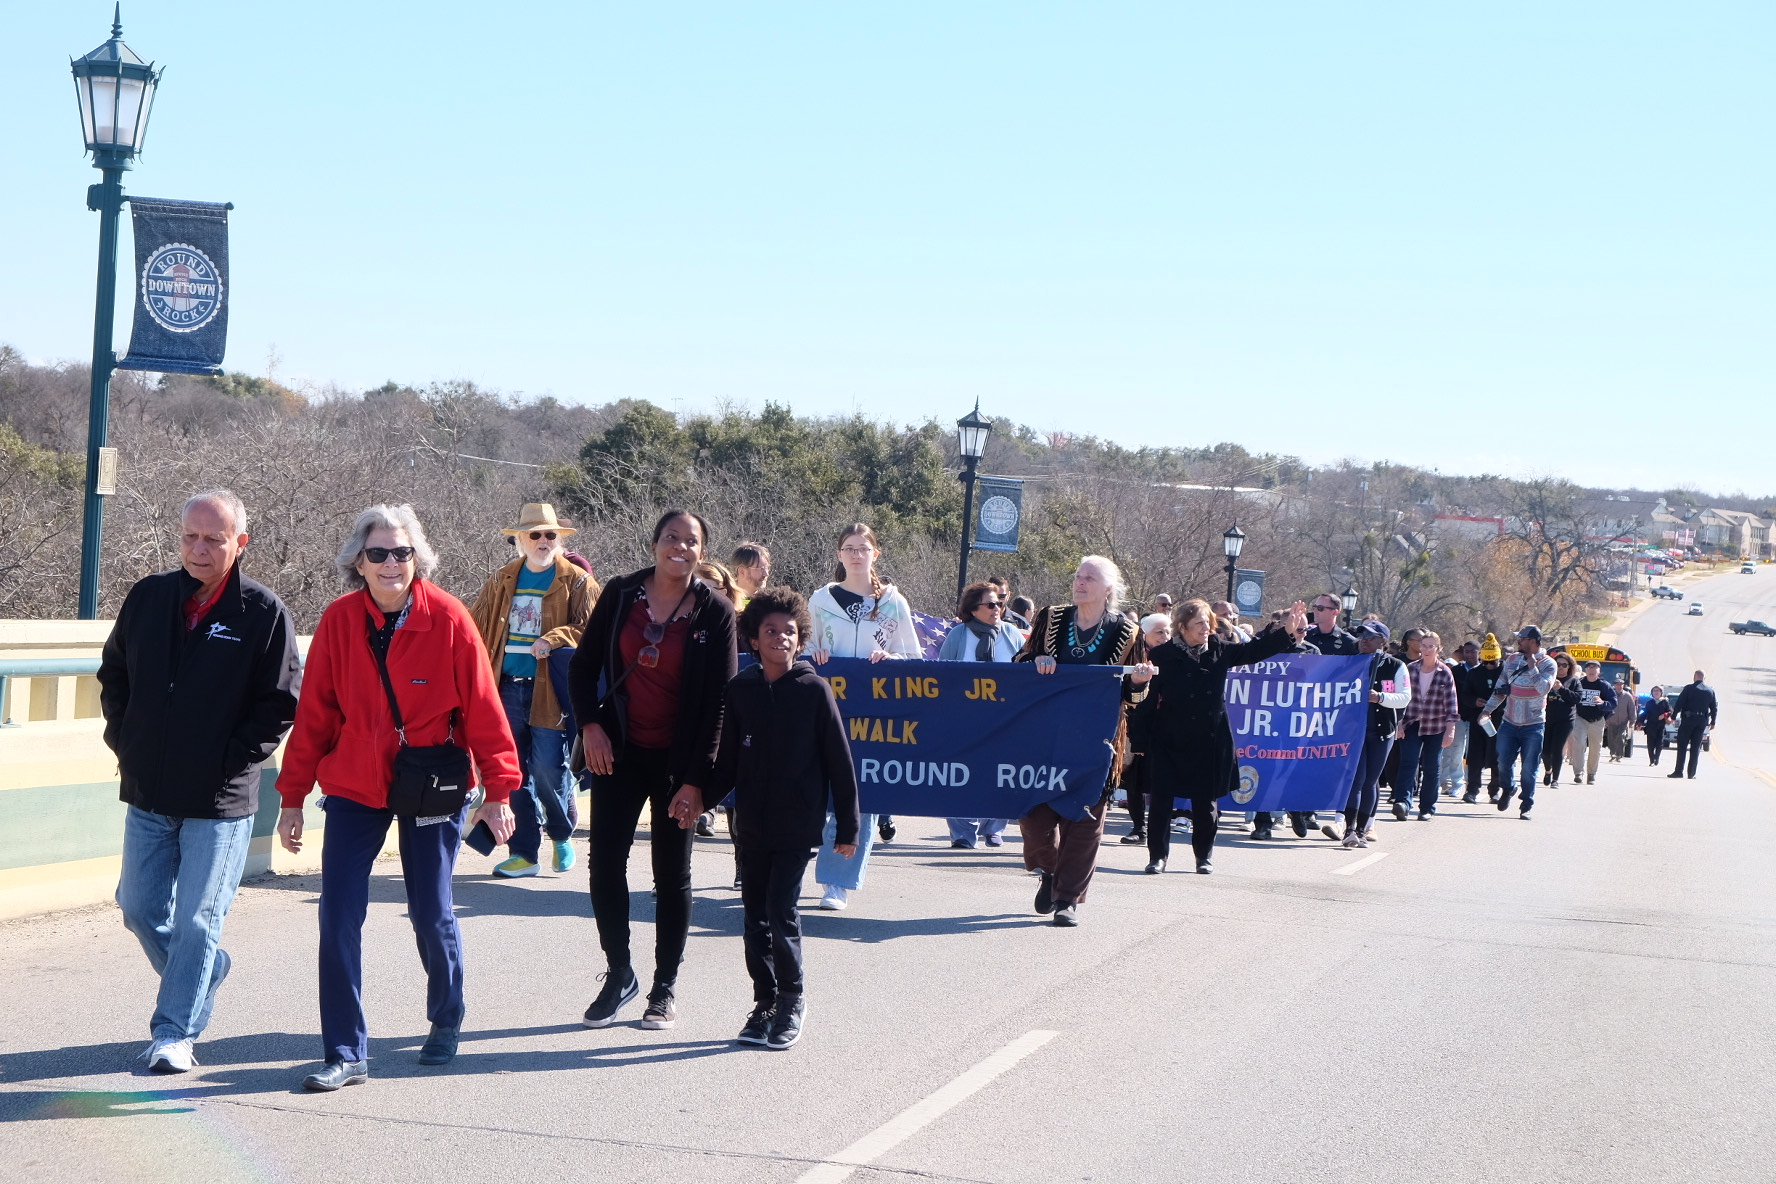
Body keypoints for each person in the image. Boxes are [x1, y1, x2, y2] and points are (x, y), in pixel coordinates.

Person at [276, 504, 521, 1091]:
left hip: (430, 776)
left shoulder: (451, 619)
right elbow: (315, 715)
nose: (391, 563)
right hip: (356, 783)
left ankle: (446, 1013)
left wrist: (499, 789)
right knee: (337, 914)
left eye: (402, 553)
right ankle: (345, 1050)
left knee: (429, 908)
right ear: (358, 562)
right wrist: (291, 796)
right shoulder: (338, 620)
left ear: (418, 559)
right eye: (378, 553)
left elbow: (484, 710)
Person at [98, 489, 300, 1074]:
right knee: (137, 907)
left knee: (197, 920)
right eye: (190, 536)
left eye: (214, 538)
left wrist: (228, 761)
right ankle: (206, 969)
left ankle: (174, 1032)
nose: (199, 548)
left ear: (241, 543)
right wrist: (126, 743)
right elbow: (115, 674)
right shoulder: (149, 596)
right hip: (149, 791)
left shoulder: (262, 612)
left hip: (220, 801)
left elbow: (279, 704)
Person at [568, 511, 737, 1030]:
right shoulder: (620, 594)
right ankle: (620, 974)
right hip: (617, 753)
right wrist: (591, 726)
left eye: (691, 541)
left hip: (677, 763)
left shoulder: (716, 612)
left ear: (701, 552)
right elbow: (582, 666)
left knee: (671, 875)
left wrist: (695, 781)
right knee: (604, 866)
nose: (679, 548)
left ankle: (664, 987)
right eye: (671, 538)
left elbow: (720, 705)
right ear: (654, 543)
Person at [675, 588, 858, 1050]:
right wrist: (699, 799)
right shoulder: (740, 691)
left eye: (789, 632)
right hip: (751, 823)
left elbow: (840, 761)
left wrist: (849, 827)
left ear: (800, 640)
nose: (780, 638)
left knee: (781, 910)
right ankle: (765, 1003)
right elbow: (728, 762)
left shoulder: (814, 691)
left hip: (797, 824)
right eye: (770, 631)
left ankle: (792, 999)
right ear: (753, 640)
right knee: (754, 917)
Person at [1017, 556, 1155, 924]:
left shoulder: (1128, 632)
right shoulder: (1050, 618)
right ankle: (1049, 872)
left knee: (1086, 817)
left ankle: (1068, 899)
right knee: (1034, 816)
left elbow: (1133, 697)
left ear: (1108, 588)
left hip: (1097, 738)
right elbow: (1019, 664)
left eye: (1089, 578)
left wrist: (1139, 682)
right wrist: (1037, 662)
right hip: (1045, 735)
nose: (1080, 583)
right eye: (1078, 576)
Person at [468, 503, 598, 878]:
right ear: (520, 539)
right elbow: (475, 625)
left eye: (550, 535)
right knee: (512, 773)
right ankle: (524, 853)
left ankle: (559, 832)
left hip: (550, 690)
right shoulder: (502, 578)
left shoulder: (577, 580)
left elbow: (592, 629)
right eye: (535, 534)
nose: (543, 541)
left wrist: (554, 638)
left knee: (545, 768)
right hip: (506, 686)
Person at [1145, 597, 1309, 874]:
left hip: (1209, 736)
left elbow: (1253, 651)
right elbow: (1149, 701)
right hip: (1169, 736)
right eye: (1199, 623)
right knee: (1162, 800)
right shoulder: (1161, 655)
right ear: (1182, 626)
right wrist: (1140, 740)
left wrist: (1287, 632)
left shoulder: (1219, 649)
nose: (1206, 628)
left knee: (1205, 801)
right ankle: (1157, 857)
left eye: (1209, 623)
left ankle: (1203, 857)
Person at [805, 524, 920, 909]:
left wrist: (892, 660)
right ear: (839, 555)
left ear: (875, 554)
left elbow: (914, 658)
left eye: (863, 548)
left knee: (860, 797)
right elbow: (804, 646)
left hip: (873, 713)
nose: (856, 554)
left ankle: (837, 882)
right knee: (815, 790)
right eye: (849, 548)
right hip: (827, 708)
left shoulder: (893, 603)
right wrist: (815, 656)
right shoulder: (820, 600)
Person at [937, 581, 1023, 848]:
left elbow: (1027, 675)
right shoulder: (958, 636)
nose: (997, 608)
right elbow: (942, 676)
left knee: (1001, 774)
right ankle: (962, 832)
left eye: (999, 603)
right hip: (965, 720)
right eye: (990, 604)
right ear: (973, 609)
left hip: (1006, 720)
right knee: (960, 775)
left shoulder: (1012, 634)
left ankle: (994, 828)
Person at [1479, 626, 1558, 819]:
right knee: (1503, 762)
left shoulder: (1549, 664)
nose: (1518, 642)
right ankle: (1508, 788)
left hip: (1533, 724)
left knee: (1529, 768)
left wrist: (1532, 667)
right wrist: (1487, 711)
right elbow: (1500, 688)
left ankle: (1526, 804)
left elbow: (1542, 689)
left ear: (1532, 641)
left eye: (1521, 639)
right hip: (1510, 721)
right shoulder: (1512, 660)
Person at [1342, 622, 1410, 846]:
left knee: (1370, 781)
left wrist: (1380, 697)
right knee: (1355, 780)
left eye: (1370, 637)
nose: (1364, 640)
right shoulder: (1349, 662)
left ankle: (1362, 830)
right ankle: (1348, 830)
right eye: (1361, 635)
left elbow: (1404, 697)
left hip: (1382, 731)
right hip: (1354, 731)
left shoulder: (1395, 666)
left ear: (1383, 641)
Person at [1390, 630, 1459, 821]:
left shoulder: (1445, 673)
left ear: (1438, 649)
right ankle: (1403, 802)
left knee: (1431, 766)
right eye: (1424, 645)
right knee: (1408, 763)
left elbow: (1451, 704)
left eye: (1431, 646)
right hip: (1411, 723)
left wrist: (1450, 730)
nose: (1427, 649)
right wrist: (1399, 723)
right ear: (1419, 647)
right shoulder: (1410, 669)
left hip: (1435, 726)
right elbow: (1400, 698)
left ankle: (1427, 807)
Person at [1458, 635, 1504, 802]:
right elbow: (1464, 696)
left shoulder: (1506, 673)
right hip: (1478, 719)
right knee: (1475, 755)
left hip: (1500, 719)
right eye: (1486, 662)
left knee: (1497, 755)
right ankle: (1472, 789)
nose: (1490, 666)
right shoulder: (1474, 673)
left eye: (1493, 662)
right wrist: (1474, 702)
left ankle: (1495, 790)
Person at [1567, 661, 1617, 785]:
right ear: (1586, 670)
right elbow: (1571, 697)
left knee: (1595, 748)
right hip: (1580, 718)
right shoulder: (1579, 683)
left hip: (1597, 720)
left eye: (1594, 667)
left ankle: (1591, 774)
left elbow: (1613, 703)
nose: (1591, 670)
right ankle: (1578, 773)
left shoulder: (1604, 686)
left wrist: (1602, 703)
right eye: (1589, 667)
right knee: (1579, 744)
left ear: (1599, 671)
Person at [1441, 640, 1478, 796]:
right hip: (1460, 716)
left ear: (1479, 652)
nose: (1469, 655)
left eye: (1472, 651)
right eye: (1466, 651)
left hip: (1478, 717)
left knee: (1474, 751)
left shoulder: (1483, 670)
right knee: (1456, 750)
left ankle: (1472, 782)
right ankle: (1455, 781)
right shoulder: (1457, 670)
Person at [1540, 653, 1581, 788]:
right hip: (1547, 719)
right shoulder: (1547, 678)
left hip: (1566, 720)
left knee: (1557, 749)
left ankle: (1555, 779)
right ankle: (1548, 770)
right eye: (1558, 665)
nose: (1561, 668)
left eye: (1564, 665)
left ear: (1569, 667)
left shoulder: (1573, 681)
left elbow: (1577, 698)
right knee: (1545, 751)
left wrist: (1561, 689)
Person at [1668, 671, 1718, 780]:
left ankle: (1678, 771)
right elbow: (1714, 708)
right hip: (1701, 722)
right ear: (1704, 678)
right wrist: (1713, 722)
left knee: (1682, 746)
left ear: (1694, 677)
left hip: (1688, 720)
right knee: (1695, 748)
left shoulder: (1689, 688)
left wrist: (1673, 716)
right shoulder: (1710, 691)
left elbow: (1679, 703)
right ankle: (1691, 773)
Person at [730, 541, 772, 610]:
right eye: (760, 569)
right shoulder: (727, 604)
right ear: (742, 572)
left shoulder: (770, 605)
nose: (766, 574)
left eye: (767, 568)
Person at [1641, 685, 1674, 767]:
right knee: (1650, 744)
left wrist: (1664, 715)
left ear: (1661, 693)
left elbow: (1670, 711)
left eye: (1658, 691)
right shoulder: (1649, 703)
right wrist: (1639, 723)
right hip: (1650, 726)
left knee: (1659, 744)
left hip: (1660, 726)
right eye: (1654, 691)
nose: (1656, 692)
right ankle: (1652, 760)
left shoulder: (1664, 702)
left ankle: (1656, 758)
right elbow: (1644, 714)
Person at [1604, 676, 1635, 762]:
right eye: (1617, 684)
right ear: (1614, 685)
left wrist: (1632, 720)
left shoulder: (1628, 696)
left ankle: (1619, 755)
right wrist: (1605, 720)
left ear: (1623, 685)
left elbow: (1632, 709)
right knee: (1611, 739)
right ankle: (1612, 754)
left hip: (1623, 721)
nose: (1619, 686)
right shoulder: (1610, 695)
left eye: (1621, 684)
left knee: (1620, 737)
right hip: (1611, 721)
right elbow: (1605, 707)